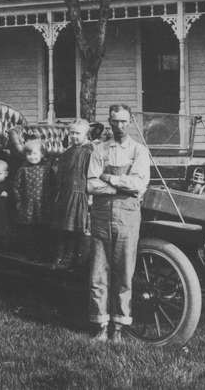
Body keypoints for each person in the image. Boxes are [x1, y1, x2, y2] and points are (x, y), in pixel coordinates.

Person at [86, 104, 151, 342]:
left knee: (124, 272)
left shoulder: (139, 151)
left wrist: (110, 179)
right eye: (115, 121)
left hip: (128, 216)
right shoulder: (99, 150)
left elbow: (139, 184)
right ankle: (101, 325)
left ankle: (119, 328)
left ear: (131, 122)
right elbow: (91, 184)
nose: (119, 126)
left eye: (124, 121)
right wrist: (121, 185)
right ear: (110, 122)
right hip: (102, 215)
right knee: (98, 272)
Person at [49, 119, 93, 269]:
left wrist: (91, 196)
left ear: (86, 134)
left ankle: (74, 260)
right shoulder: (67, 153)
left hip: (80, 194)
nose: (74, 136)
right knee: (64, 227)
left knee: (76, 228)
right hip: (65, 194)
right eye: (72, 133)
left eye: (78, 133)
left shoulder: (89, 152)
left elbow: (91, 176)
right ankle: (61, 257)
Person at [12, 136, 53, 260]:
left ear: (42, 154)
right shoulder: (23, 170)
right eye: (29, 154)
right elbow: (16, 187)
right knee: (29, 230)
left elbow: (53, 186)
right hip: (27, 205)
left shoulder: (47, 169)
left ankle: (43, 254)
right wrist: (19, 201)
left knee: (42, 229)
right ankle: (30, 254)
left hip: (43, 205)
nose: (32, 157)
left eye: (35, 153)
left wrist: (51, 201)